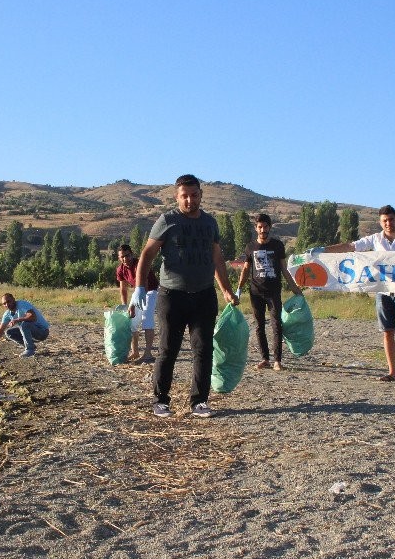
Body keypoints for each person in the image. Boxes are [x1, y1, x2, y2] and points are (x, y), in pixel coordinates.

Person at [134, 174, 238, 418]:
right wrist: (139, 286)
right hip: (172, 295)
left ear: (201, 195)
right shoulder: (167, 220)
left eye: (194, 195)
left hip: (204, 295)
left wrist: (226, 290)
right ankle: (161, 400)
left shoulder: (210, 223)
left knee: (203, 349)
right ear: (176, 197)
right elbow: (147, 254)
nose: (190, 200)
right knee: (168, 349)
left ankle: (199, 401)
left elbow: (217, 259)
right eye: (184, 196)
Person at [315, 205, 395, 386]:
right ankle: (392, 372)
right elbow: (351, 246)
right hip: (383, 292)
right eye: (384, 221)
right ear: (380, 222)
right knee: (388, 332)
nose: (388, 223)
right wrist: (324, 250)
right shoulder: (375, 240)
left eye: (391, 219)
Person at [236, 213, 303, 371]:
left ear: (270, 227)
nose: (263, 229)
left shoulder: (277, 246)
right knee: (259, 326)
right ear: (256, 228)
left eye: (265, 226)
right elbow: (245, 270)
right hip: (255, 292)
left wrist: (295, 289)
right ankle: (265, 359)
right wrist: (238, 290)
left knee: (276, 325)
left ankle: (277, 361)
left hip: (273, 292)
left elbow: (284, 270)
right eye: (260, 227)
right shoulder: (250, 247)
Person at [116, 244, 159, 363]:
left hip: (151, 291)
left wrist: (134, 304)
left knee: (147, 319)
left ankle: (148, 354)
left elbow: (144, 285)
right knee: (131, 321)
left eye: (127, 255)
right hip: (138, 291)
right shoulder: (121, 269)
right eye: (122, 257)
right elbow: (123, 289)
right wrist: (125, 305)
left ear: (132, 254)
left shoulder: (140, 264)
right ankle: (135, 352)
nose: (125, 259)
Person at [0, 293, 50, 358]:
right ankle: (31, 346)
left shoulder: (22, 304)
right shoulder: (7, 314)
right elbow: (0, 330)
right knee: (9, 333)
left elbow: (33, 317)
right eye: (4, 303)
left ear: (13, 300)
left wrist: (17, 320)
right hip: (31, 333)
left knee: (24, 324)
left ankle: (29, 349)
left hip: (42, 331)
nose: (7, 304)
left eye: (9, 301)